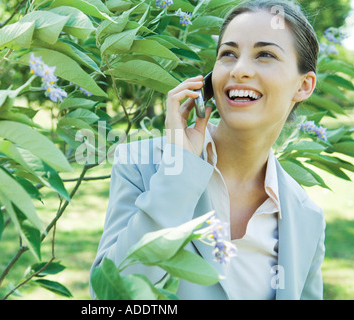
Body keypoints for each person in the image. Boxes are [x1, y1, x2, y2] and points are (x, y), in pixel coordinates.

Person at [90, 0, 325, 300]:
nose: (239, 70)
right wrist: (179, 172)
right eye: (228, 54)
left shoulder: (307, 218)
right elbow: (111, 297)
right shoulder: (140, 165)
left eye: (264, 55)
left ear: (303, 86)